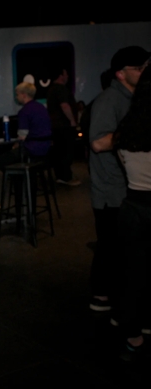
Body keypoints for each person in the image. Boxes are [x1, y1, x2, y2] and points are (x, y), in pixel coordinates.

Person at [88, 46, 149, 313]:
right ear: (121, 74)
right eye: (139, 68)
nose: (143, 72)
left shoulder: (132, 98)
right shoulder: (109, 100)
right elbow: (98, 143)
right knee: (110, 246)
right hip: (111, 190)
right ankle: (101, 295)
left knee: (121, 249)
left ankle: (113, 297)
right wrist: (134, 132)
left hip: (123, 189)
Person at [112, 65, 151, 361]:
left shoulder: (127, 126)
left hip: (132, 207)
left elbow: (126, 166)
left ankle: (133, 334)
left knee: (132, 274)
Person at [0, 82, 52, 169]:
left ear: (24, 95)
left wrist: (14, 146)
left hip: (31, 149)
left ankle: (17, 178)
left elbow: (22, 137)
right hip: (46, 148)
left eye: (17, 94)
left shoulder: (24, 111)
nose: (16, 97)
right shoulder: (42, 107)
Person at [47, 66, 81, 186]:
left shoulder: (52, 89)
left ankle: (61, 175)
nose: (67, 77)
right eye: (65, 74)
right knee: (66, 151)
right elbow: (65, 105)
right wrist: (72, 120)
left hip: (56, 126)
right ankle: (66, 177)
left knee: (59, 151)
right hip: (64, 125)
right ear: (61, 76)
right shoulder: (61, 89)